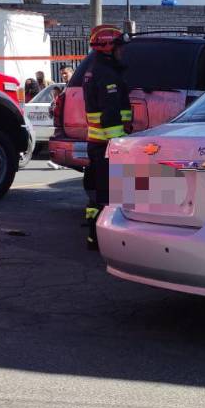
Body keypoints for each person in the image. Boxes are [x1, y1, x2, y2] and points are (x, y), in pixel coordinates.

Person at [82, 25, 133, 251]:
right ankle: (104, 238)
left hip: (97, 143)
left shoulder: (94, 70)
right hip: (107, 145)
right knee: (110, 194)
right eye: (120, 48)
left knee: (98, 192)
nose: (123, 52)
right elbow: (110, 115)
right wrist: (120, 145)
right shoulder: (107, 75)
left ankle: (94, 236)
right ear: (108, 48)